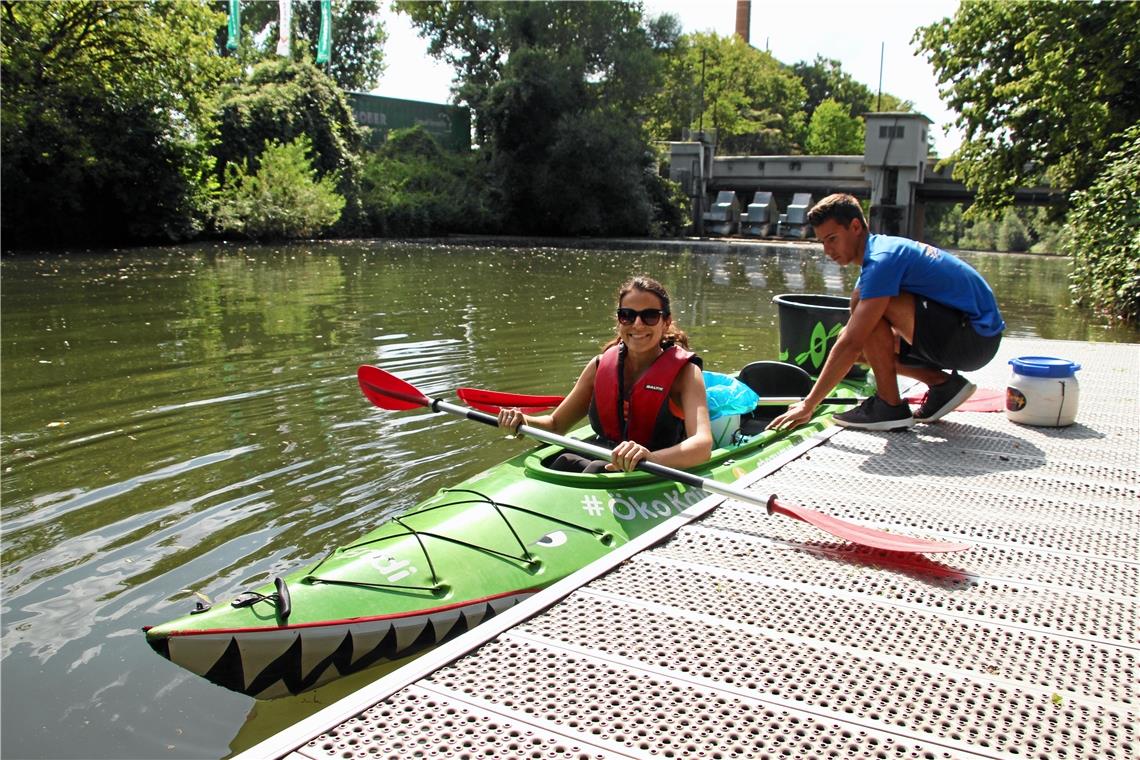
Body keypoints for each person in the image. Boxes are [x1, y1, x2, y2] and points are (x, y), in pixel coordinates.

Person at [769, 193, 1005, 432]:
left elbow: (851, 341)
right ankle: (942, 384)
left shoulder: (884, 258)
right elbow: (852, 343)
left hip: (974, 339)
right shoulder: (878, 254)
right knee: (862, 343)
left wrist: (809, 403)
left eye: (832, 239)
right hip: (961, 334)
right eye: (822, 242)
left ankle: (889, 406)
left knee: (864, 320)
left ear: (855, 226)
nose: (827, 250)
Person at [498, 276, 713, 473]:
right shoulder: (599, 365)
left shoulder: (685, 373)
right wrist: (522, 421)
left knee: (596, 468)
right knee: (564, 461)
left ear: (666, 322)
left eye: (649, 316)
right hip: (606, 454)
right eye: (627, 315)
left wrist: (650, 458)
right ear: (619, 320)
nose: (637, 324)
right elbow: (555, 424)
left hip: (656, 463)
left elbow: (702, 445)